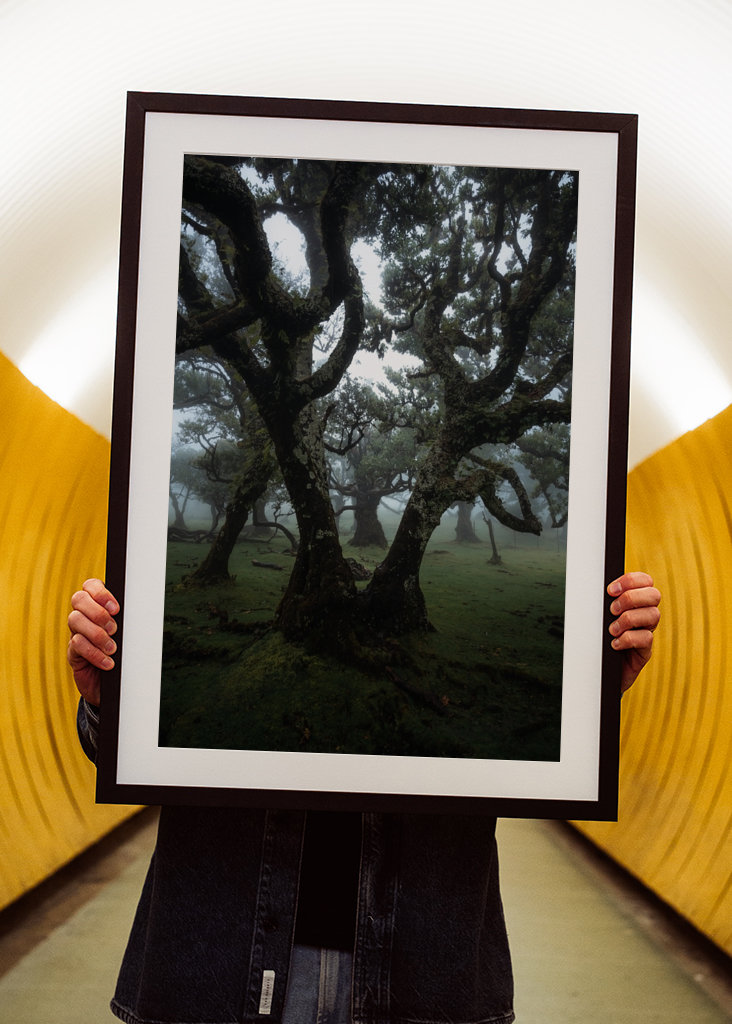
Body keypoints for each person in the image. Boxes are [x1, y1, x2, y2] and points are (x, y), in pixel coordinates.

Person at [68, 572, 661, 1024]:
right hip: (218, 958)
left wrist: (584, 694)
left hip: (424, 966)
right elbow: (125, 752)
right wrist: (109, 702)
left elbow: (531, 754)